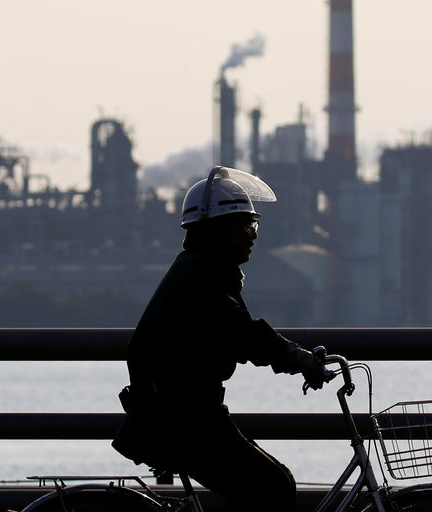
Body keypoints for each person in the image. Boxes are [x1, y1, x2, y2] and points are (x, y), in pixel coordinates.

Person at [112, 166, 327, 512]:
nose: (253, 235)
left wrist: (289, 355)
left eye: (253, 225)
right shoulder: (202, 276)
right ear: (220, 231)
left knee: (267, 485)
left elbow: (241, 333)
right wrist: (297, 358)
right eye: (247, 226)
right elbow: (243, 331)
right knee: (273, 486)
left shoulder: (203, 267)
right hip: (185, 418)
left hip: (184, 412)